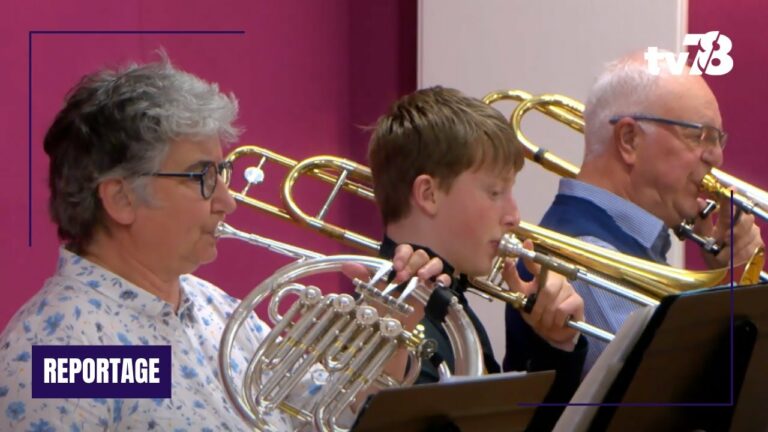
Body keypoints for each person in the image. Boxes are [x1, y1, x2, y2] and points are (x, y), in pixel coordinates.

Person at [0, 56, 449, 432]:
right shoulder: (66, 350)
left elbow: (333, 417)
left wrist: (387, 333)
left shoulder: (214, 309)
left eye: (222, 172)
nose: (227, 201)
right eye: (202, 177)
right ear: (120, 198)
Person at [506, 52, 764, 374]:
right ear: (629, 140)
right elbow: (682, 401)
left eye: (718, 139)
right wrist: (736, 281)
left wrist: (729, 273)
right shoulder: (588, 253)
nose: (716, 157)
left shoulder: (630, 238)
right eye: (700, 136)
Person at [368, 86, 588, 430]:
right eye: (495, 192)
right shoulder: (384, 316)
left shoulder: (453, 301)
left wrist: (552, 343)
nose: (514, 216)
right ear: (428, 194)